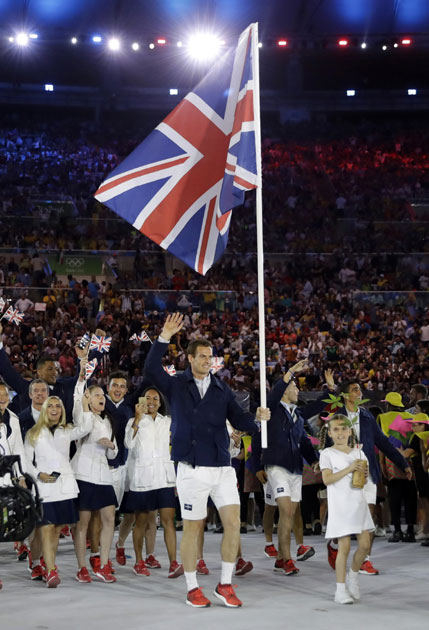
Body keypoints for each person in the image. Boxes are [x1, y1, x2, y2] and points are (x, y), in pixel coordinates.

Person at [144, 312, 270, 609]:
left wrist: (257, 420)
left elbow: (238, 419)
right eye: (201, 356)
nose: (207, 361)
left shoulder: (221, 388)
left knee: (234, 523)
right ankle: (192, 588)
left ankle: (225, 584)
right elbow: (151, 369)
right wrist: (163, 337)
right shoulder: (176, 384)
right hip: (191, 468)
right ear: (189, 358)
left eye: (209, 356)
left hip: (222, 467)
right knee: (193, 528)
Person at [327, 381, 412, 575]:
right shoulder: (336, 417)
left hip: (367, 472)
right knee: (348, 518)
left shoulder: (366, 416)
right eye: (355, 389)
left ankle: (365, 559)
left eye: (360, 389)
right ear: (346, 396)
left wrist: (402, 463)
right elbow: (326, 445)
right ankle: (334, 544)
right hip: (345, 473)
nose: (359, 392)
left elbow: (383, 442)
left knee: (368, 515)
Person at [252, 360, 324, 576]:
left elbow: (303, 442)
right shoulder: (271, 408)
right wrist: (291, 371)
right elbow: (257, 438)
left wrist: (313, 460)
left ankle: (282, 558)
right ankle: (288, 560)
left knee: (291, 514)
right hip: (277, 467)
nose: (298, 390)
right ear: (284, 391)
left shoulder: (298, 415)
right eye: (295, 386)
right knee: (284, 512)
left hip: (295, 469)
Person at [24, 396, 91, 588]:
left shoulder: (67, 431)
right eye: (50, 406)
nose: (54, 409)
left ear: (62, 410)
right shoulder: (33, 433)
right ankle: (51, 570)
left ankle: (49, 564)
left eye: (58, 406)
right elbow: (26, 461)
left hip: (65, 487)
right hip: (44, 488)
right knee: (46, 527)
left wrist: (85, 404)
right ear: (44, 409)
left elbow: (85, 428)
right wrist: (38, 474)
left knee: (56, 530)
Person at [124, 386, 184, 578]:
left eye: (155, 399)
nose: (151, 402)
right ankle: (139, 561)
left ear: (160, 403)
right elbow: (128, 444)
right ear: (141, 401)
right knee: (140, 522)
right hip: (143, 480)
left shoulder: (167, 422)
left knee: (168, 522)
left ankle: (174, 563)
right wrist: (137, 419)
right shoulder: (133, 422)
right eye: (147, 398)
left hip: (164, 479)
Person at [319, 414, 374, 604]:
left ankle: (354, 575)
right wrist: (350, 469)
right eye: (336, 429)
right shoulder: (327, 454)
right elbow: (327, 479)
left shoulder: (359, 453)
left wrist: (363, 475)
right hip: (340, 505)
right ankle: (340, 590)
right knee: (345, 546)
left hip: (358, 503)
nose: (340, 433)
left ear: (350, 431)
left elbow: (362, 480)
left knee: (365, 545)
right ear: (330, 433)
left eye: (344, 429)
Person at [71, 364, 118, 584]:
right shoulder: (82, 414)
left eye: (103, 395)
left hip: (103, 475)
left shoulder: (108, 421)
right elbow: (78, 394)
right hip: (83, 474)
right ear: (88, 398)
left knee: (109, 518)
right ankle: (82, 567)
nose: (102, 398)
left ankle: (105, 563)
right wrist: (82, 375)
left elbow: (112, 455)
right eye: (96, 394)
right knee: (83, 523)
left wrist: (110, 446)